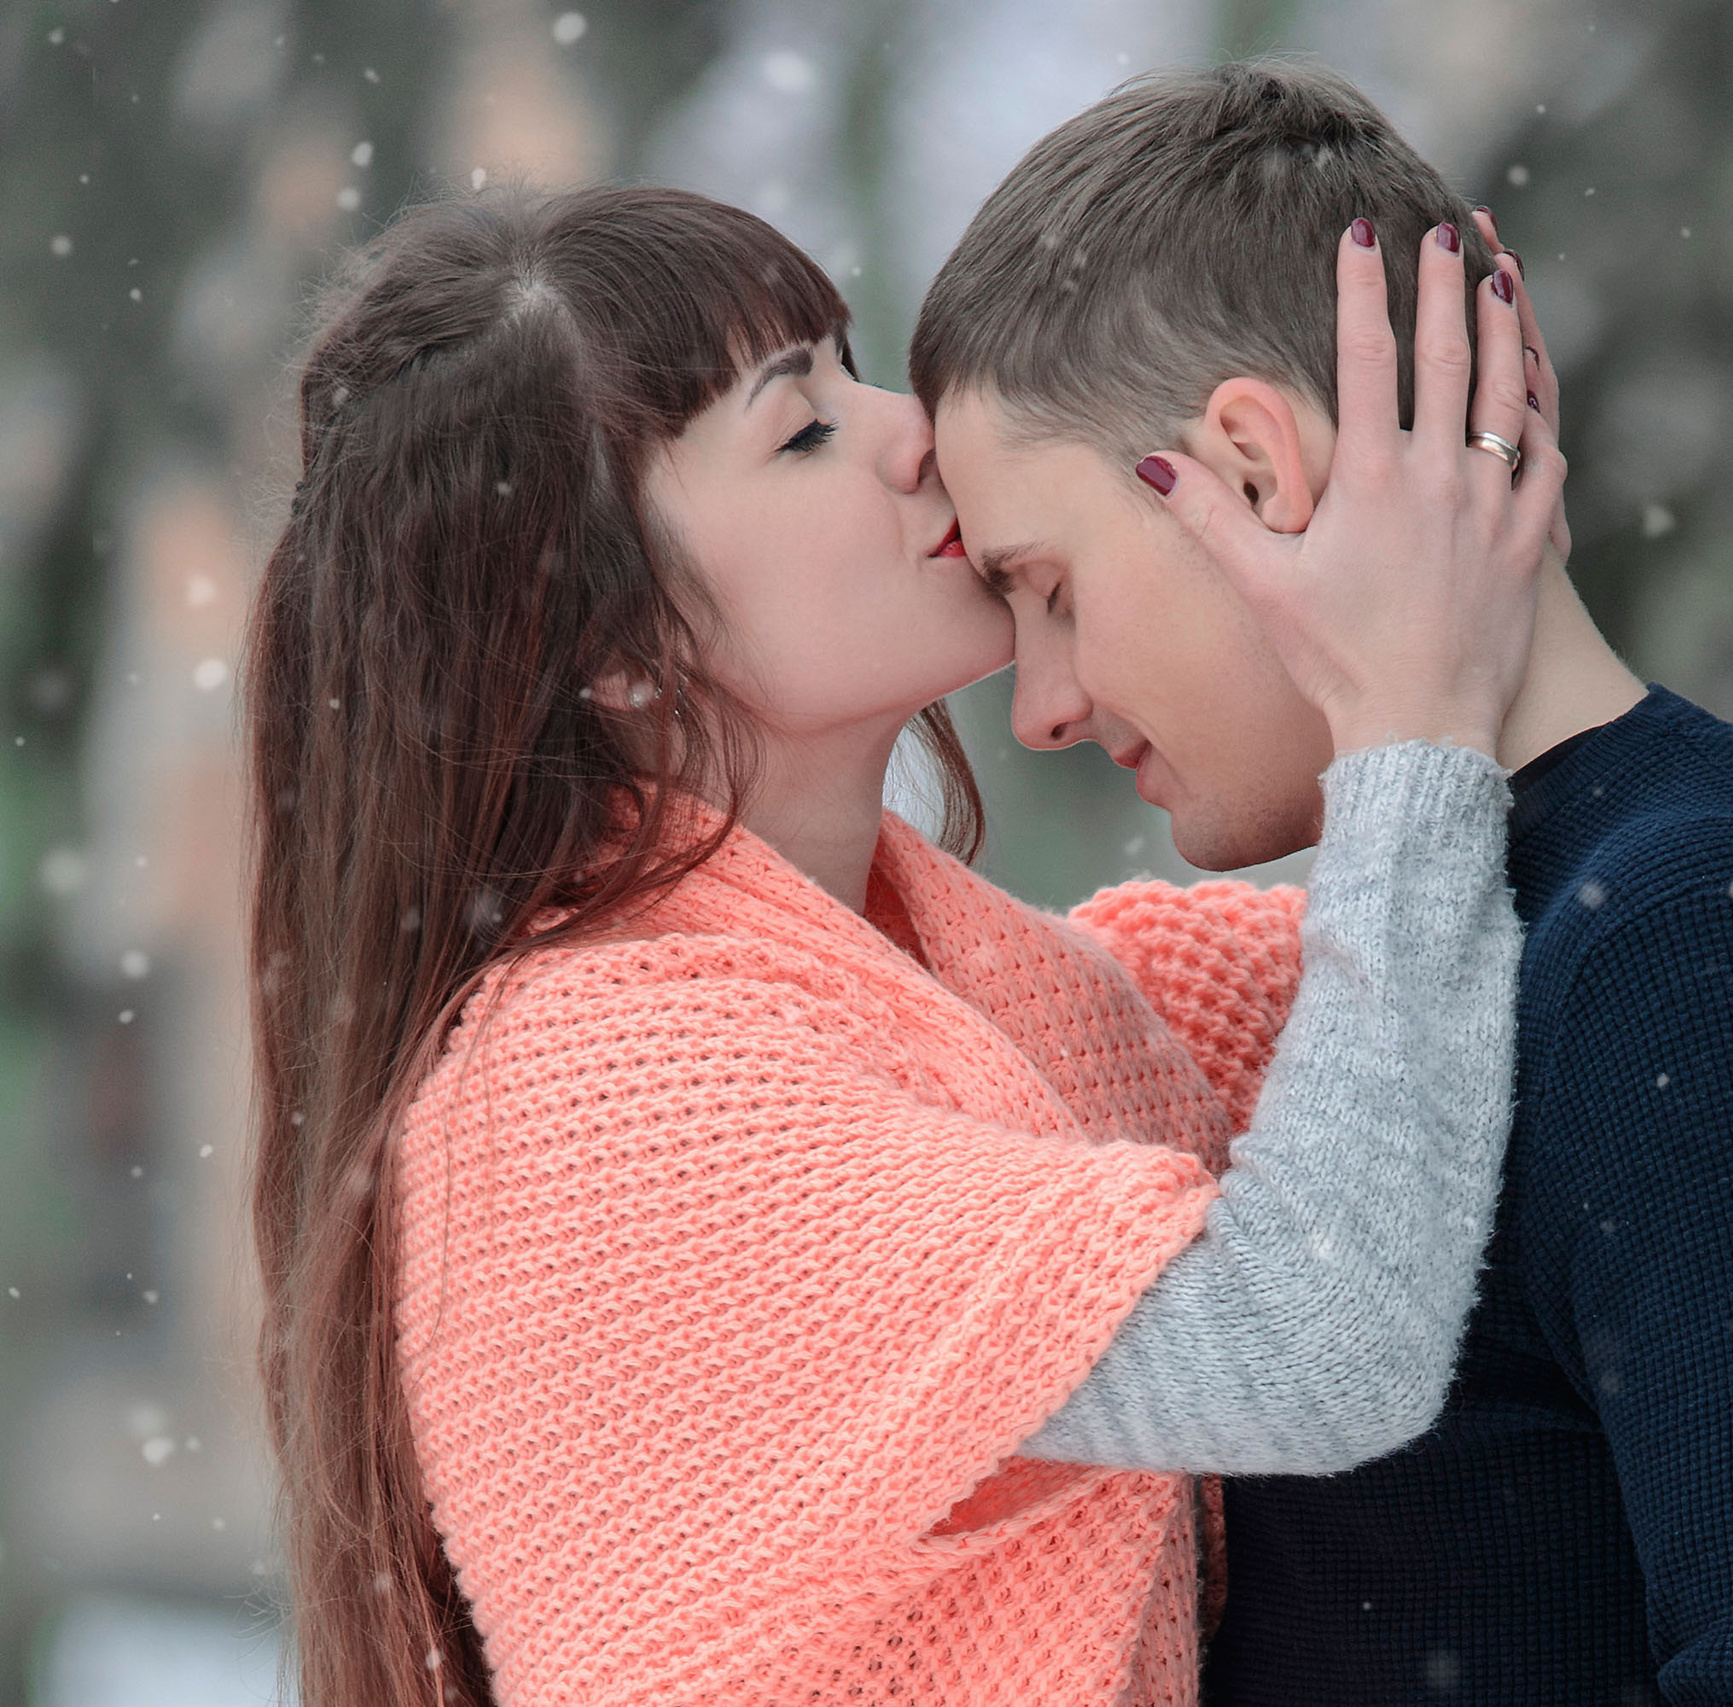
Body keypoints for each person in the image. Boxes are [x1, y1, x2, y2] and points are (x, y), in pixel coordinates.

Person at [245, 183, 1562, 1707]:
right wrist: (1409, 711)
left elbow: (1431, 996)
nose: (910, 430)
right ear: (613, 650)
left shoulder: (972, 1003)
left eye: (851, 368)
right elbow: (1313, 1339)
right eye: (799, 429)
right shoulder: (596, 1107)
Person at [915, 60, 1733, 1705]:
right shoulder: (1456, 939)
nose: (1044, 702)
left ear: (1254, 472)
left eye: (1048, 587)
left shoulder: (1700, 953)